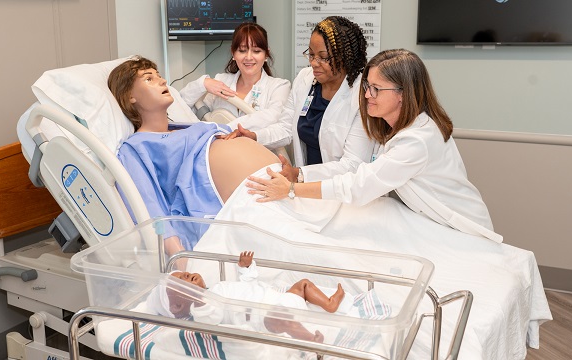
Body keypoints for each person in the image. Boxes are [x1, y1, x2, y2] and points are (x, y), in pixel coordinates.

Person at [246, 49, 502, 243]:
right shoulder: (395, 126)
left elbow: (359, 185)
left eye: (376, 89)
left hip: (457, 226)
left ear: (404, 93)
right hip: (427, 220)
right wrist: (301, 174)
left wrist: (292, 189)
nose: (367, 95)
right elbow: (358, 171)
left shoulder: (417, 140)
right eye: (367, 86)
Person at [108, 56, 280, 254]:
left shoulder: (186, 127)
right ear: (130, 96)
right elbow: (149, 206)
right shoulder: (134, 147)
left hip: (278, 188)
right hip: (242, 208)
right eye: (149, 79)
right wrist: (178, 256)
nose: (162, 81)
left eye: (159, 76)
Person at [223, 16, 376, 184]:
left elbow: (353, 165)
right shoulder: (305, 79)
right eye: (311, 54)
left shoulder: (363, 96)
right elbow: (286, 128)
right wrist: (255, 136)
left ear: (345, 57)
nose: (314, 63)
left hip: (342, 189)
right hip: (303, 186)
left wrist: (300, 174)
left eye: (323, 57)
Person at [147, 251, 390, 342]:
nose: (188, 275)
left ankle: (329, 304)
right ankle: (308, 338)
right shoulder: (205, 308)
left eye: (186, 273)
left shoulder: (220, 286)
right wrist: (198, 301)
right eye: (182, 282)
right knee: (280, 318)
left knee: (303, 284)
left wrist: (246, 269)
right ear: (179, 306)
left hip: (278, 298)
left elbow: (247, 284)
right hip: (262, 317)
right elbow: (213, 318)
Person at [179, 22, 290, 132]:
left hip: (258, 149)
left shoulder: (279, 86)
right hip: (220, 149)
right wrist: (203, 83)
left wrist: (225, 129)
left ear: (266, 54)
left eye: (256, 51)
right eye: (242, 51)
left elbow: (272, 117)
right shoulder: (221, 81)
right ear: (233, 53)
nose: (249, 57)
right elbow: (182, 108)